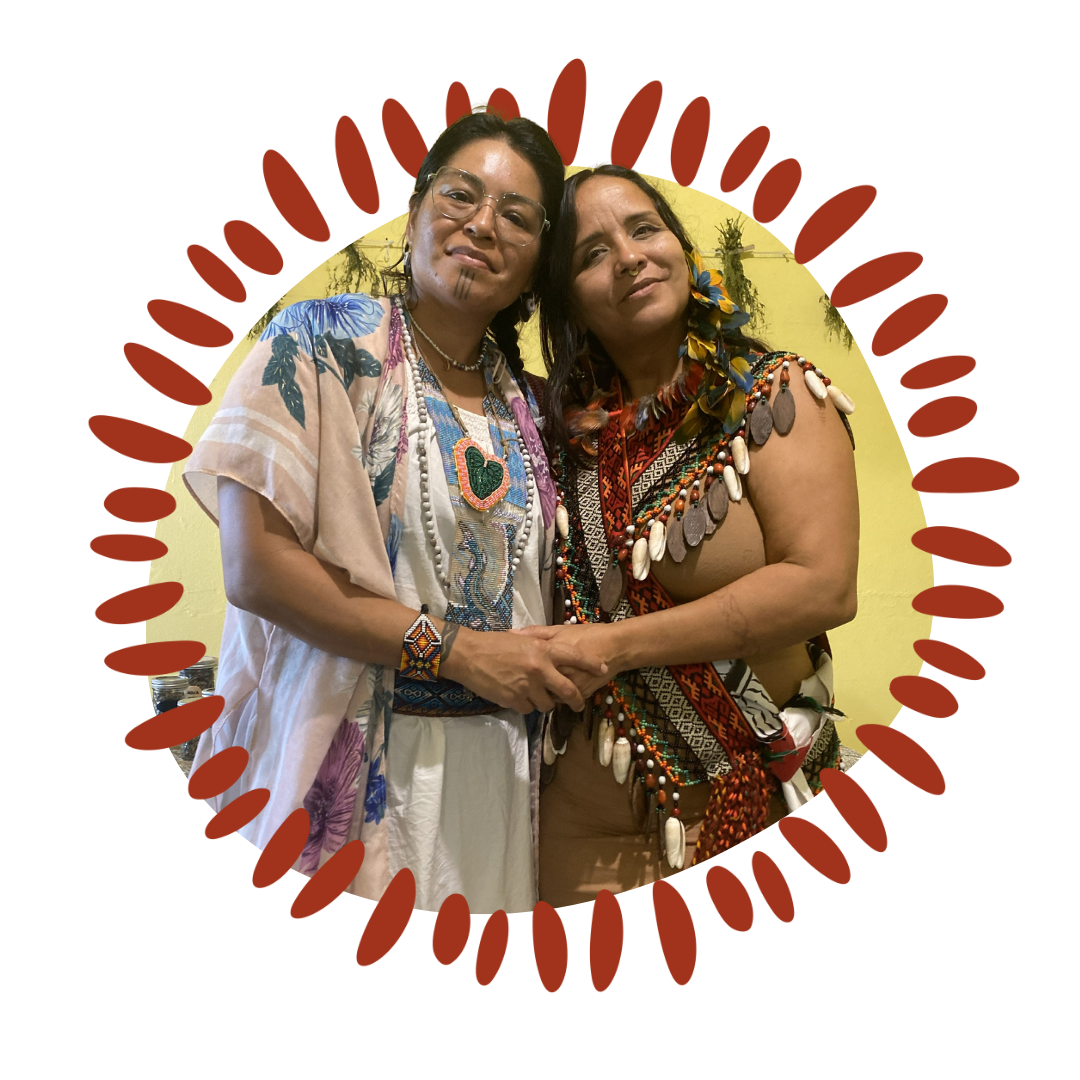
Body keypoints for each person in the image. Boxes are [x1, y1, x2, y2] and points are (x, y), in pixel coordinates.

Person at [181, 108, 609, 916]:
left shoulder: (529, 407)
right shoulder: (319, 343)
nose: (483, 224)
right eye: (461, 195)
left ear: (534, 265)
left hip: (495, 779)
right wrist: (459, 654)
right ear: (414, 210)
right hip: (340, 762)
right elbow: (255, 568)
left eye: (517, 217)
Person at [530, 164, 860, 908]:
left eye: (644, 229)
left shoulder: (774, 395)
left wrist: (613, 646)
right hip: (574, 837)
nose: (629, 258)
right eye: (591, 254)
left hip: (751, 808)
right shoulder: (555, 433)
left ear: (680, 247)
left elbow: (824, 587)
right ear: (566, 298)